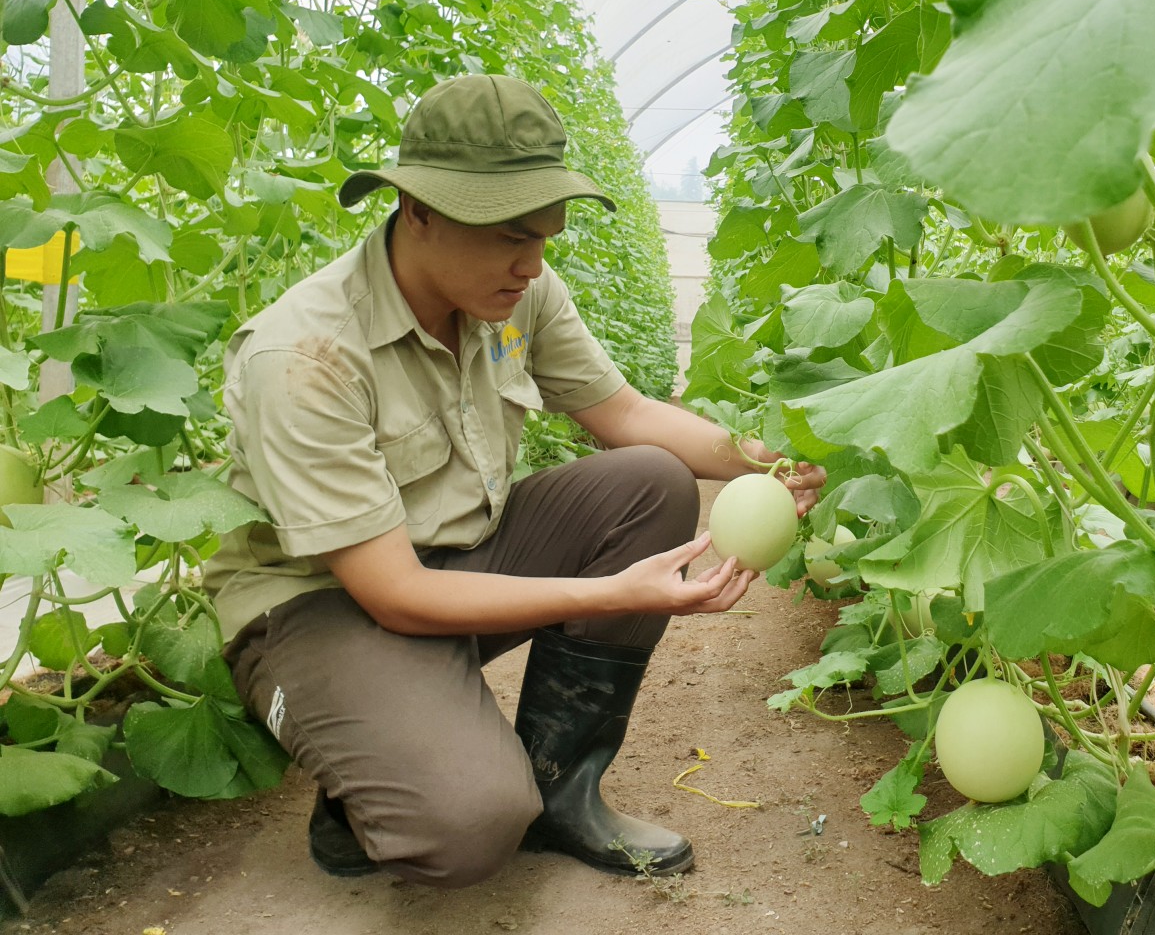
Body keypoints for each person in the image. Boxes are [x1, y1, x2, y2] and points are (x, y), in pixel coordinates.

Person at [202, 74, 823, 888]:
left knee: (648, 482)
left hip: (456, 556)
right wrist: (612, 594)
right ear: (416, 211)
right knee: (467, 827)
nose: (531, 265)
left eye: (545, 239)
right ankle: (374, 774)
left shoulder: (517, 292)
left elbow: (628, 415)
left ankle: (561, 790)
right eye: (509, 237)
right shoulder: (307, 357)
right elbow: (392, 594)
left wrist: (771, 460)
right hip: (322, 605)